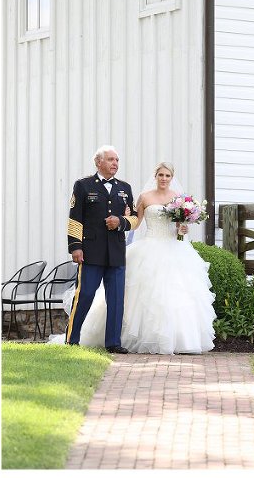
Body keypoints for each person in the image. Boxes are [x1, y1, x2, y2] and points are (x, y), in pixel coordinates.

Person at [56, 162, 216, 354]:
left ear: (172, 178)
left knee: (177, 295)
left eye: (167, 176)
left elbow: (179, 227)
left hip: (175, 249)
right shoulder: (144, 197)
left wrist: (182, 229)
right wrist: (123, 220)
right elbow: (136, 222)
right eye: (161, 175)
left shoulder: (179, 199)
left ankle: (180, 340)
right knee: (143, 297)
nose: (164, 179)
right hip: (150, 247)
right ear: (155, 176)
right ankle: (91, 338)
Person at [66, 145, 137, 353]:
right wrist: (75, 247)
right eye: (111, 160)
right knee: (85, 294)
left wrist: (121, 221)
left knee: (116, 299)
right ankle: (72, 339)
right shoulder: (83, 185)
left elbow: (133, 218)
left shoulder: (125, 188)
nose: (115, 163)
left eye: (117, 160)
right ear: (98, 162)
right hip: (90, 251)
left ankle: (113, 343)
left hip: (116, 251)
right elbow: (75, 219)